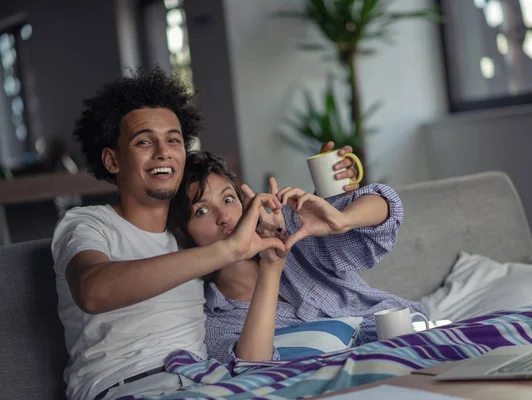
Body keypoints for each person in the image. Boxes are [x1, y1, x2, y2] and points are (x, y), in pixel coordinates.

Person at [51, 67, 357, 400]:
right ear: (112, 160)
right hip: (131, 386)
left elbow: (252, 356)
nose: (163, 151)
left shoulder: (190, 240)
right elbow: (93, 290)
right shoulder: (88, 224)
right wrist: (229, 248)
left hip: (211, 381)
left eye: (173, 139)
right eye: (143, 141)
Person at [168, 151, 425, 364]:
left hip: (410, 337)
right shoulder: (211, 317)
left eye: (227, 199)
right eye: (201, 210)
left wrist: (342, 220)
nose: (223, 216)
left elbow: (387, 207)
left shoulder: (294, 230)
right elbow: (252, 365)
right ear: (184, 233)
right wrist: (272, 264)